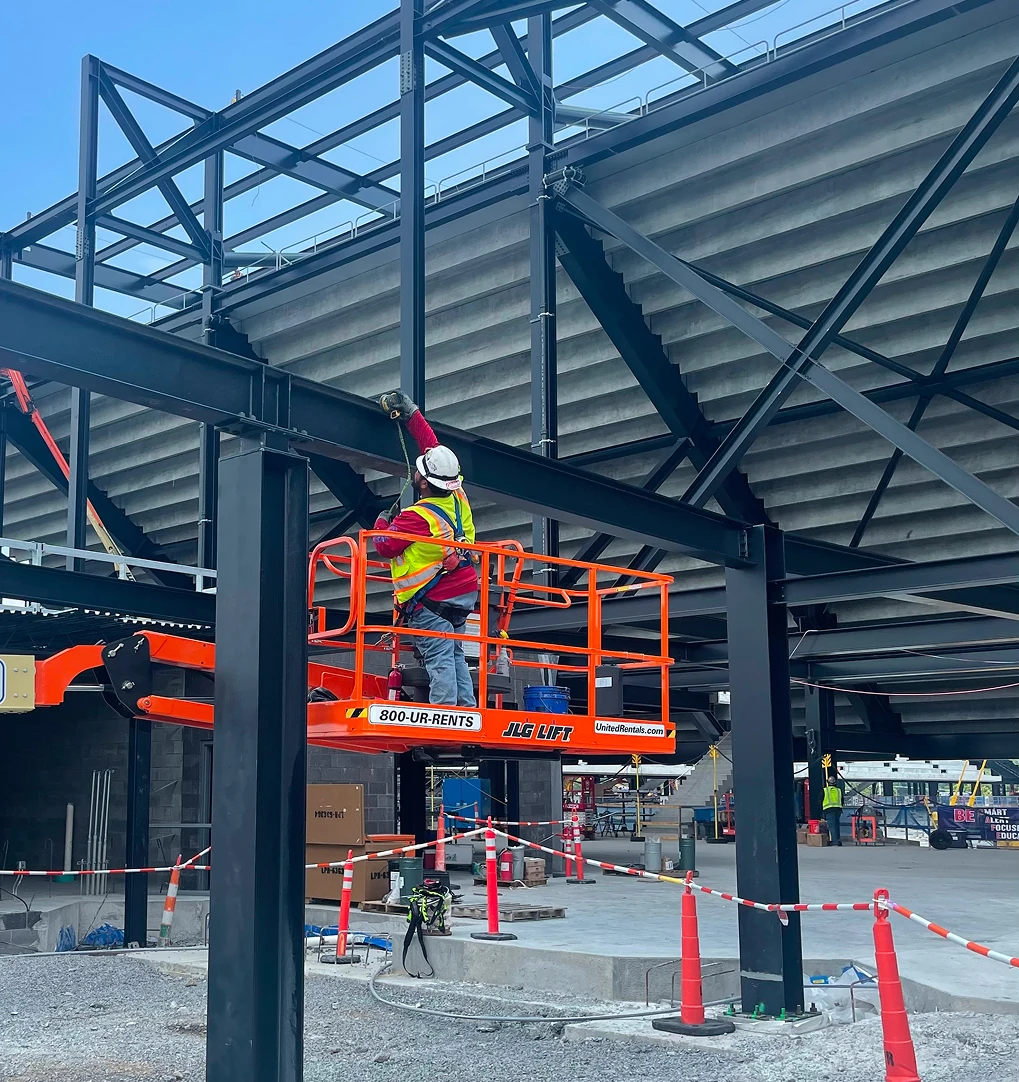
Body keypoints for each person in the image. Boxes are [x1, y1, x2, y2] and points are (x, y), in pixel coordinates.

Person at [371, 391, 479, 707]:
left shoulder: (418, 517)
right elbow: (432, 449)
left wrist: (380, 522)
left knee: (439, 654)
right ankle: (466, 708)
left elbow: (385, 546)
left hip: (431, 597)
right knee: (454, 650)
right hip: (462, 591)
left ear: (421, 483)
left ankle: (445, 714)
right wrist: (412, 415)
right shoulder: (458, 497)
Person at [822, 773, 844, 847]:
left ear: (828, 782)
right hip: (838, 810)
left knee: (832, 826)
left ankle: (835, 841)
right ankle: (837, 840)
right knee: (836, 825)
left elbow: (819, 801)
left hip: (829, 810)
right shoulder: (839, 790)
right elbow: (842, 800)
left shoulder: (825, 790)